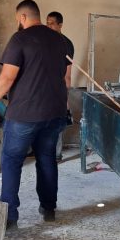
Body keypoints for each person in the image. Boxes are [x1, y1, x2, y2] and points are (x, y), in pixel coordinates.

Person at [0, 0, 69, 229]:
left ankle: (10, 216)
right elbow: (62, 74)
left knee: (11, 160)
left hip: (25, 114)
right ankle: (49, 208)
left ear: (23, 17)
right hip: (54, 112)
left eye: (18, 19)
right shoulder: (60, 40)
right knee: (47, 158)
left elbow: (7, 77)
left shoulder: (19, 39)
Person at [46, 11, 75, 162]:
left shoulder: (66, 44)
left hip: (58, 88)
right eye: (47, 23)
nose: (48, 26)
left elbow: (67, 74)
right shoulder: (44, 41)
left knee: (57, 119)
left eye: (52, 23)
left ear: (60, 25)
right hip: (43, 86)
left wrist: (66, 96)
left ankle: (56, 154)